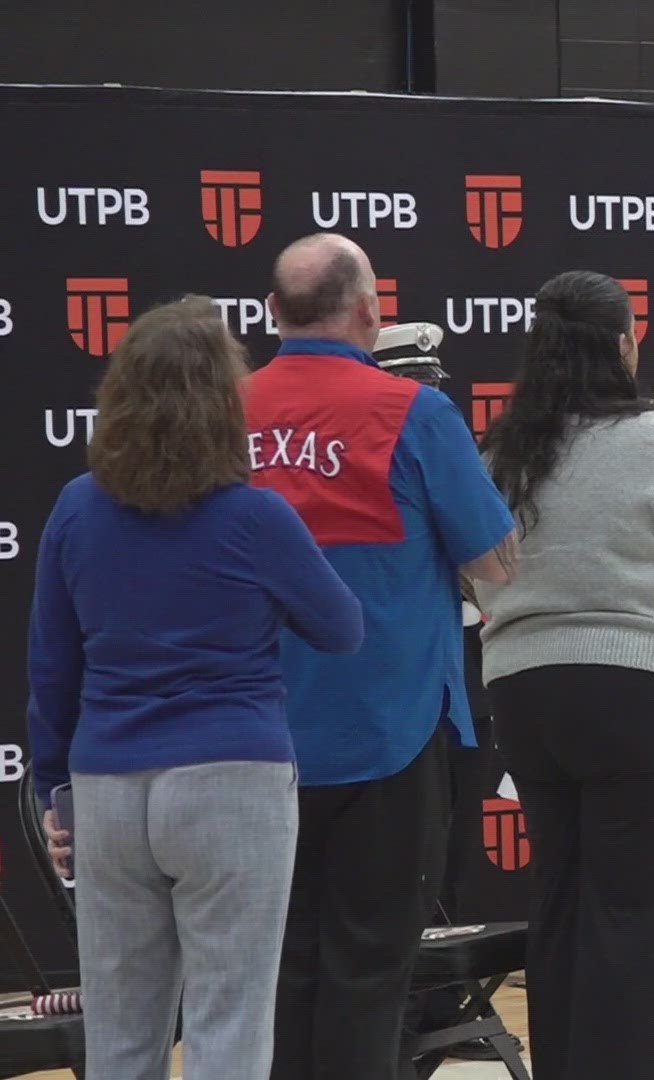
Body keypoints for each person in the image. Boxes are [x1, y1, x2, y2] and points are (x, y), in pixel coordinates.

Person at [27, 297, 363, 1080]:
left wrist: (55, 792)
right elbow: (341, 628)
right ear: (225, 402)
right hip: (230, 779)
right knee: (230, 1020)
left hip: (107, 784)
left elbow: (51, 670)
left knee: (119, 1027)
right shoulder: (257, 516)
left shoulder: (76, 508)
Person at [475, 270, 654, 1077]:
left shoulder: (504, 448)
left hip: (526, 691)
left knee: (564, 901)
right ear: (622, 345)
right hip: (648, 688)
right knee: (650, 916)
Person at [246, 233, 519, 1080]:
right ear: (370, 313)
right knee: (369, 966)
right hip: (387, 729)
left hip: (253, 734)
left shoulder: (225, 409)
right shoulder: (414, 411)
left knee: (284, 963)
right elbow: (497, 565)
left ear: (270, 315)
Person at [376, 322, 526, 1064]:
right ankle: (401, 1009)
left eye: (434, 387)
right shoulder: (369, 459)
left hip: (470, 664)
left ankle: (445, 1002)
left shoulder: (465, 453)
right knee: (402, 852)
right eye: (411, 384)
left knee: (457, 847)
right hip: (400, 674)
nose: (429, 400)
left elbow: (499, 558)